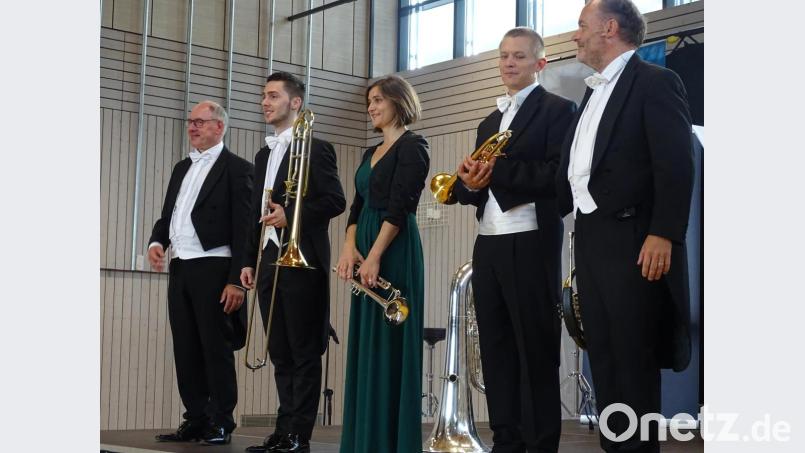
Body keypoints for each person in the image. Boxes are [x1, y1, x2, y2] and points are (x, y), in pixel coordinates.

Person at [556, 1, 694, 451]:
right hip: (592, 241)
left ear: (609, 28)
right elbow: (576, 172)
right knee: (607, 362)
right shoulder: (592, 93)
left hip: (636, 240)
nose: (576, 36)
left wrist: (664, 232)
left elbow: (676, 162)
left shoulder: (655, 81)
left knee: (634, 363)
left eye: (581, 26)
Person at [452, 27, 576, 453]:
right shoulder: (489, 120)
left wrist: (497, 172)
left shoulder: (559, 110)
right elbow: (479, 188)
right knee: (496, 346)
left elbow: (558, 178)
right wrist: (466, 184)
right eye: (504, 56)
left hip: (530, 240)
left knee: (534, 348)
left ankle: (540, 444)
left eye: (519, 57)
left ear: (540, 63)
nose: (509, 63)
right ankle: (505, 440)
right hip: (488, 243)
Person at [242, 71, 345, 453]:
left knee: (302, 350)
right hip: (269, 255)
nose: (265, 102)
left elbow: (335, 201)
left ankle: (298, 434)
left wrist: (290, 214)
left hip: (303, 258)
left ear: (295, 103)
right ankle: (283, 428)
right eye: (263, 96)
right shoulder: (264, 154)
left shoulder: (317, 148)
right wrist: (250, 258)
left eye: (273, 96)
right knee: (280, 349)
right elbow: (256, 210)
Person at [149, 100, 253, 446]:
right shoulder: (182, 167)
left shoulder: (237, 169)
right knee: (186, 346)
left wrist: (236, 279)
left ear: (219, 127)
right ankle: (195, 418)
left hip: (215, 265)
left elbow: (245, 228)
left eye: (199, 122)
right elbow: (170, 214)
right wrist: (156, 241)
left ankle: (221, 421)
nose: (192, 127)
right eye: (190, 122)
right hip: (180, 266)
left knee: (215, 347)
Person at [335, 75, 429, 453]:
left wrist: (373, 255)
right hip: (365, 243)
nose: (371, 107)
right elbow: (356, 206)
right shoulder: (367, 153)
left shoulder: (414, 146)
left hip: (393, 246)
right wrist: (348, 248)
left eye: (377, 100)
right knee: (367, 342)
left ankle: (391, 442)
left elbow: (401, 206)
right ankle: (365, 440)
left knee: (391, 340)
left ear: (398, 101)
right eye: (368, 102)